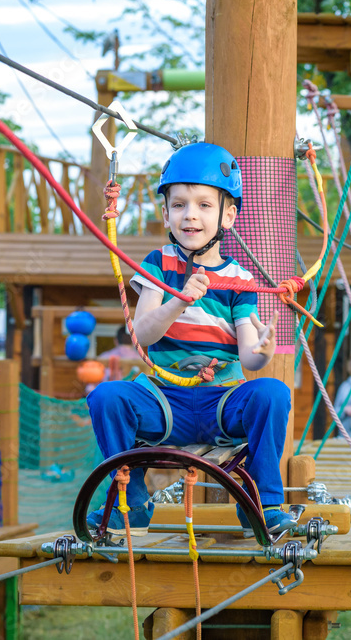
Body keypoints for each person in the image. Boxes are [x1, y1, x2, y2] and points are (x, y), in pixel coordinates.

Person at [85, 142, 294, 538]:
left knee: (272, 393)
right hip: (166, 401)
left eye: (203, 205)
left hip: (221, 402)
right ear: (165, 213)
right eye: (178, 205)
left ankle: (264, 506)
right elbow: (143, 333)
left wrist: (262, 351)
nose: (190, 215)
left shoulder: (240, 279)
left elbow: (248, 356)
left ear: (228, 216)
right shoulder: (159, 265)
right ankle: (125, 506)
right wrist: (178, 300)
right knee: (106, 396)